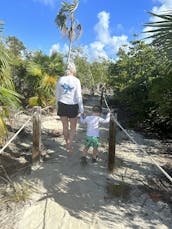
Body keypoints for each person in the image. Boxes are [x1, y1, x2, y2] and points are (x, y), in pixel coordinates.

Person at [56, 62, 84, 152]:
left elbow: (57, 95)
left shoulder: (61, 79)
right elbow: (78, 96)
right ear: (74, 70)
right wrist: (82, 110)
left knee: (64, 126)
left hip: (62, 104)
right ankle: (69, 144)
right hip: (72, 106)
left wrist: (57, 106)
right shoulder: (76, 80)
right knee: (73, 127)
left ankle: (67, 142)